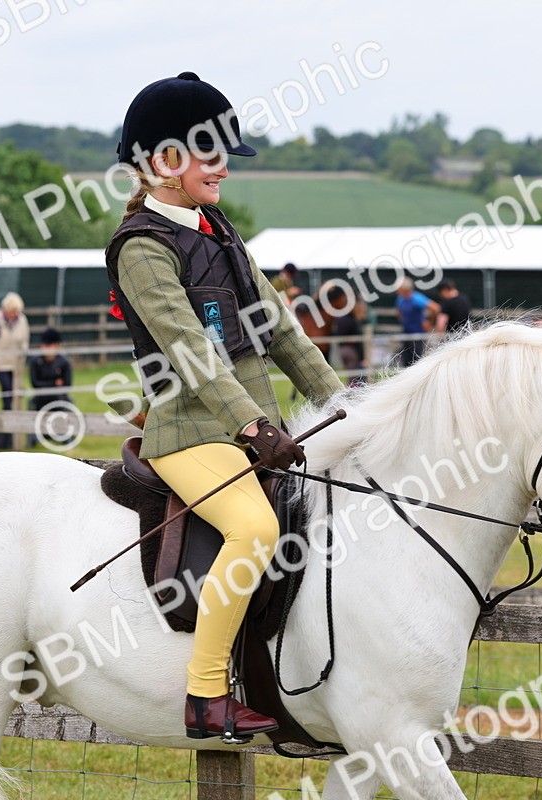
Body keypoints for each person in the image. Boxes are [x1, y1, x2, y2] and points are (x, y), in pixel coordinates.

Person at [106, 72, 343, 741]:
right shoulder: (142, 247)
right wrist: (253, 423)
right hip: (191, 434)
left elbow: (282, 330)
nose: (223, 171)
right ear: (162, 161)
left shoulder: (219, 232)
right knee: (255, 531)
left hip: (249, 430)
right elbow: (189, 350)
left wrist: (348, 403)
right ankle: (207, 693)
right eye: (209, 154)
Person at [0, 292, 30, 450]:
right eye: (12, 310)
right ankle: (4, 433)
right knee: (7, 393)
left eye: (17, 311)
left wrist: (23, 352)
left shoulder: (22, 320)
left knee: (14, 397)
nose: (14, 314)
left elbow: (24, 340)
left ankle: (9, 435)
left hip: (15, 365)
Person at [27, 327, 72, 448]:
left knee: (67, 402)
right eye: (45, 345)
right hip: (41, 396)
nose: (47, 348)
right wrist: (54, 383)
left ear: (57, 346)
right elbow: (35, 383)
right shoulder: (35, 362)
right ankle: (32, 438)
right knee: (31, 403)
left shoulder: (64, 362)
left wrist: (49, 385)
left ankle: (66, 435)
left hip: (59, 396)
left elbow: (67, 384)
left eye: (50, 345)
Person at [395, 277, 440, 367]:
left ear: (404, 289)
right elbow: (398, 312)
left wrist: (429, 323)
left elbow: (435, 308)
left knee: (416, 360)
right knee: (405, 360)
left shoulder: (416, 298)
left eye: (398, 288)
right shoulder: (400, 299)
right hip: (406, 332)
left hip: (418, 334)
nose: (396, 290)